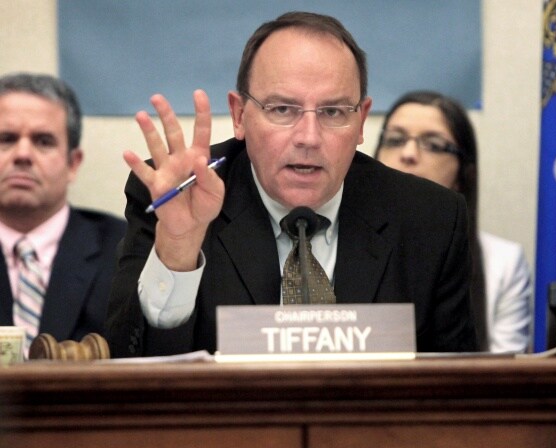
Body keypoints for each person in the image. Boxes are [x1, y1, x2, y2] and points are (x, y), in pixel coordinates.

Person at [104, 11, 476, 358]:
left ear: (361, 122)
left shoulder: (431, 220)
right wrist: (179, 251)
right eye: (282, 109)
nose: (309, 138)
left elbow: (456, 394)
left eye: (333, 112)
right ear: (239, 116)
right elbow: (128, 369)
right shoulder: (178, 196)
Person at [374, 90, 532, 353]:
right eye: (395, 140)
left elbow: (503, 382)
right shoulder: (334, 241)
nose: (409, 153)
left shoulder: (504, 262)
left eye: (433, 145)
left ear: (463, 172)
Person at [0, 72, 127, 357]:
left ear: (73, 163)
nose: (23, 154)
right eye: (6, 139)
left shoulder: (124, 249)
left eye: (43, 141)